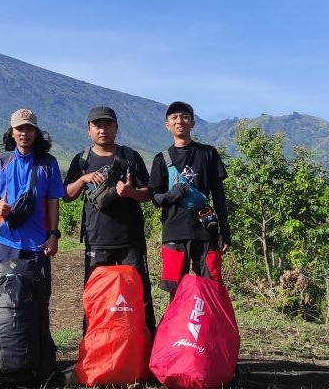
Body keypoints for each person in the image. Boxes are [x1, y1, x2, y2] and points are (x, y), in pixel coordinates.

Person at [63, 106, 155, 330]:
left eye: (108, 125)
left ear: (116, 128)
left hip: (130, 241)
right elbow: (66, 195)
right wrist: (83, 179)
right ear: (89, 129)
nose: (102, 130)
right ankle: (93, 349)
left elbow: (149, 194)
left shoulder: (130, 157)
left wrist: (131, 193)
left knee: (139, 295)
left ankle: (145, 349)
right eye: (97, 125)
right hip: (97, 241)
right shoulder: (81, 160)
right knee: (95, 295)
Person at [148, 101, 231, 299]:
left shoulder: (208, 153)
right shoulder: (161, 159)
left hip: (206, 231)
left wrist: (225, 232)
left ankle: (210, 329)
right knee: (175, 289)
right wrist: (171, 195)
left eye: (185, 117)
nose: (180, 121)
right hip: (174, 231)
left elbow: (219, 195)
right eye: (174, 118)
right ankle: (178, 330)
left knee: (212, 287)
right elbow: (154, 199)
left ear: (193, 123)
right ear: (167, 125)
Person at [0, 108, 64, 302]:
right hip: (6, 241)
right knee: (1, 300)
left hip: (37, 243)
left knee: (38, 299)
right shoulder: (1, 162)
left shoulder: (48, 163)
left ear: (36, 133)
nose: (24, 133)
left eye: (29, 129)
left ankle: (40, 334)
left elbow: (54, 201)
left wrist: (54, 235)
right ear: (12, 132)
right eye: (19, 128)